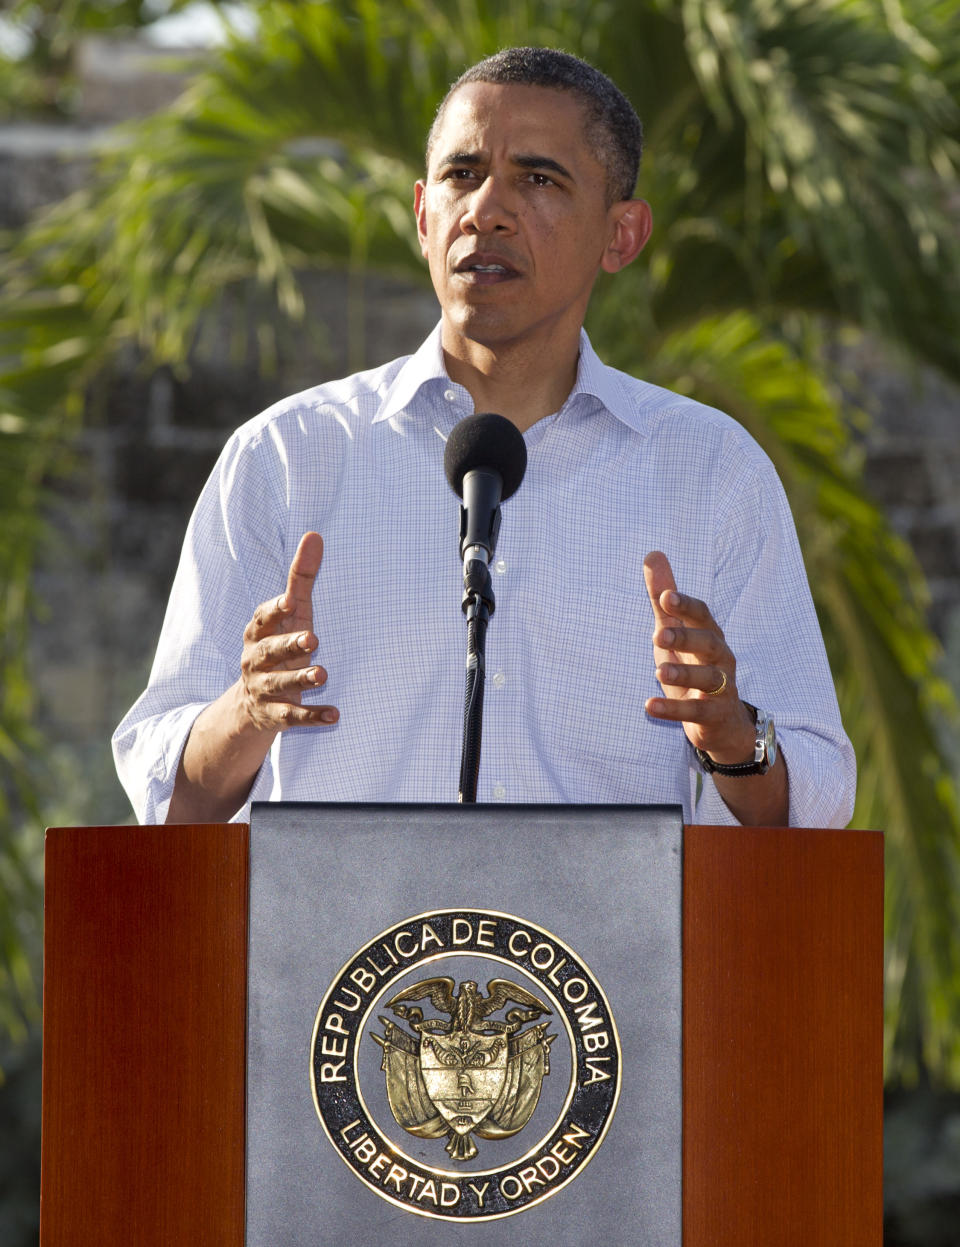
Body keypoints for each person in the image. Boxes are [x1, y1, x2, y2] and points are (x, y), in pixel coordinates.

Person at [113, 47, 855, 829]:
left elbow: (816, 803)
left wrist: (731, 734)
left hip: (610, 952)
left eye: (539, 179)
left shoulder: (710, 470)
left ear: (622, 235)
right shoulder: (288, 457)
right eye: (462, 175)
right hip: (345, 952)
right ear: (423, 214)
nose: (487, 210)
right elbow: (165, 797)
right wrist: (249, 710)